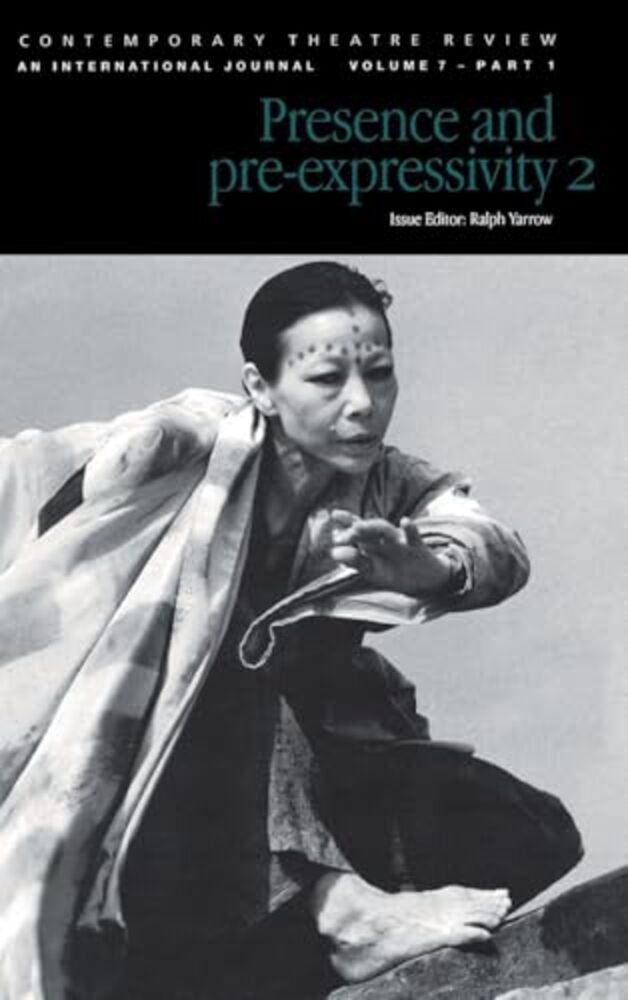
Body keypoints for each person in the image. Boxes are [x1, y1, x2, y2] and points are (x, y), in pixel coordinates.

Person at [4, 262, 582, 1000]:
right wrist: (119, 466)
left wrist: (430, 568)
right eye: (328, 380)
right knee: (227, 664)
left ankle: (299, 951)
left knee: (530, 828)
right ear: (260, 387)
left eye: (379, 374)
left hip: (307, 780)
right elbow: (54, 471)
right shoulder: (204, 442)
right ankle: (339, 911)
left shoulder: (391, 483)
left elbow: (491, 544)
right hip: (160, 781)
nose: (362, 404)